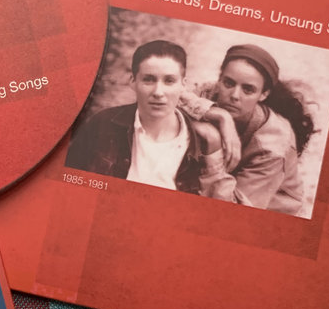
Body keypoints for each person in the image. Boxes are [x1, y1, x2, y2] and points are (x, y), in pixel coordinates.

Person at [65, 39, 228, 193]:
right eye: (148, 80)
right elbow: (66, 182)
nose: (158, 92)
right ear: (133, 81)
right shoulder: (102, 124)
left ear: (183, 85)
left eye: (169, 81)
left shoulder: (203, 142)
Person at [186, 43, 316, 215]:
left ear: (264, 94)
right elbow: (170, 96)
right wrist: (219, 115)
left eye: (248, 90)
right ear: (220, 80)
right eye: (228, 83)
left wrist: (213, 145)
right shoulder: (211, 93)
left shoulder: (273, 148)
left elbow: (231, 215)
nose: (234, 95)